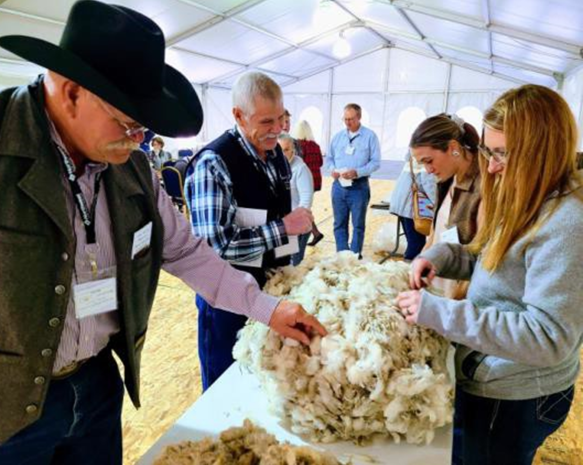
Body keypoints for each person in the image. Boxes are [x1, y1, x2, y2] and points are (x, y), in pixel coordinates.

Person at [0, 2, 325, 463]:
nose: (138, 140)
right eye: (128, 123)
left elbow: (186, 250)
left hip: (95, 387)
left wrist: (267, 309)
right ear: (72, 92)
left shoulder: (130, 168)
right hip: (10, 406)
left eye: (143, 128)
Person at [397, 84, 583, 465]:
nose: (492, 167)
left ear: (540, 154)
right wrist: (442, 256)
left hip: (515, 396)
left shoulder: (566, 224)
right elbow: (491, 262)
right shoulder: (525, 197)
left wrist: (440, 313)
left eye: (501, 154)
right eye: (487, 150)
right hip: (490, 373)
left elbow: (549, 338)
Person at [186, 72, 314, 391]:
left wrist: (289, 265)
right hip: (227, 302)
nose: (278, 129)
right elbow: (214, 247)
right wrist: (283, 227)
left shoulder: (275, 157)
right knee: (225, 387)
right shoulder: (213, 164)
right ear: (238, 115)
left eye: (281, 119)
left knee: (266, 383)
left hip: (272, 290)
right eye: (266, 121)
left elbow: (276, 209)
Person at [409, 114, 482, 297]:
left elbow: (482, 257)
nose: (428, 170)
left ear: (453, 148)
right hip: (438, 286)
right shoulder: (447, 179)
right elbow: (435, 234)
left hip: (459, 296)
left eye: (429, 160)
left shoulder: (484, 187)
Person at [328, 103, 380, 257]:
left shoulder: (370, 136)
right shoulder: (337, 137)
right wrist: (333, 170)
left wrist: (358, 172)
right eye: (345, 119)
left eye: (351, 119)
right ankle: (343, 256)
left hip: (359, 187)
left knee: (358, 225)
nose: (347, 122)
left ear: (359, 117)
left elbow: (375, 163)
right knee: (339, 224)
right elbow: (329, 159)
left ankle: (355, 256)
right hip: (338, 187)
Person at [389, 151, 436, 260]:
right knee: (417, 244)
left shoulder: (413, 156)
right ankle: (411, 270)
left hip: (402, 204)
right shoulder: (425, 159)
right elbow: (428, 184)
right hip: (412, 206)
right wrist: (438, 203)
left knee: (412, 240)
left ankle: (409, 267)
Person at [278, 132, 314, 265]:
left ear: (293, 149)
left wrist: (295, 224)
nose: (283, 153)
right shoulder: (277, 167)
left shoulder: (301, 169)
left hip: (297, 226)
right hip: (283, 225)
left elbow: (306, 200)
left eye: (286, 150)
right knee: (284, 265)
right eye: (279, 150)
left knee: (293, 266)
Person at [291, 120, 325, 247]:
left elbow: (296, 162)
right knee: (305, 208)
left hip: (302, 182)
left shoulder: (298, 145)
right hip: (315, 181)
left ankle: (309, 234)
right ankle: (315, 233)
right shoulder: (315, 145)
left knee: (300, 209)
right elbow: (321, 163)